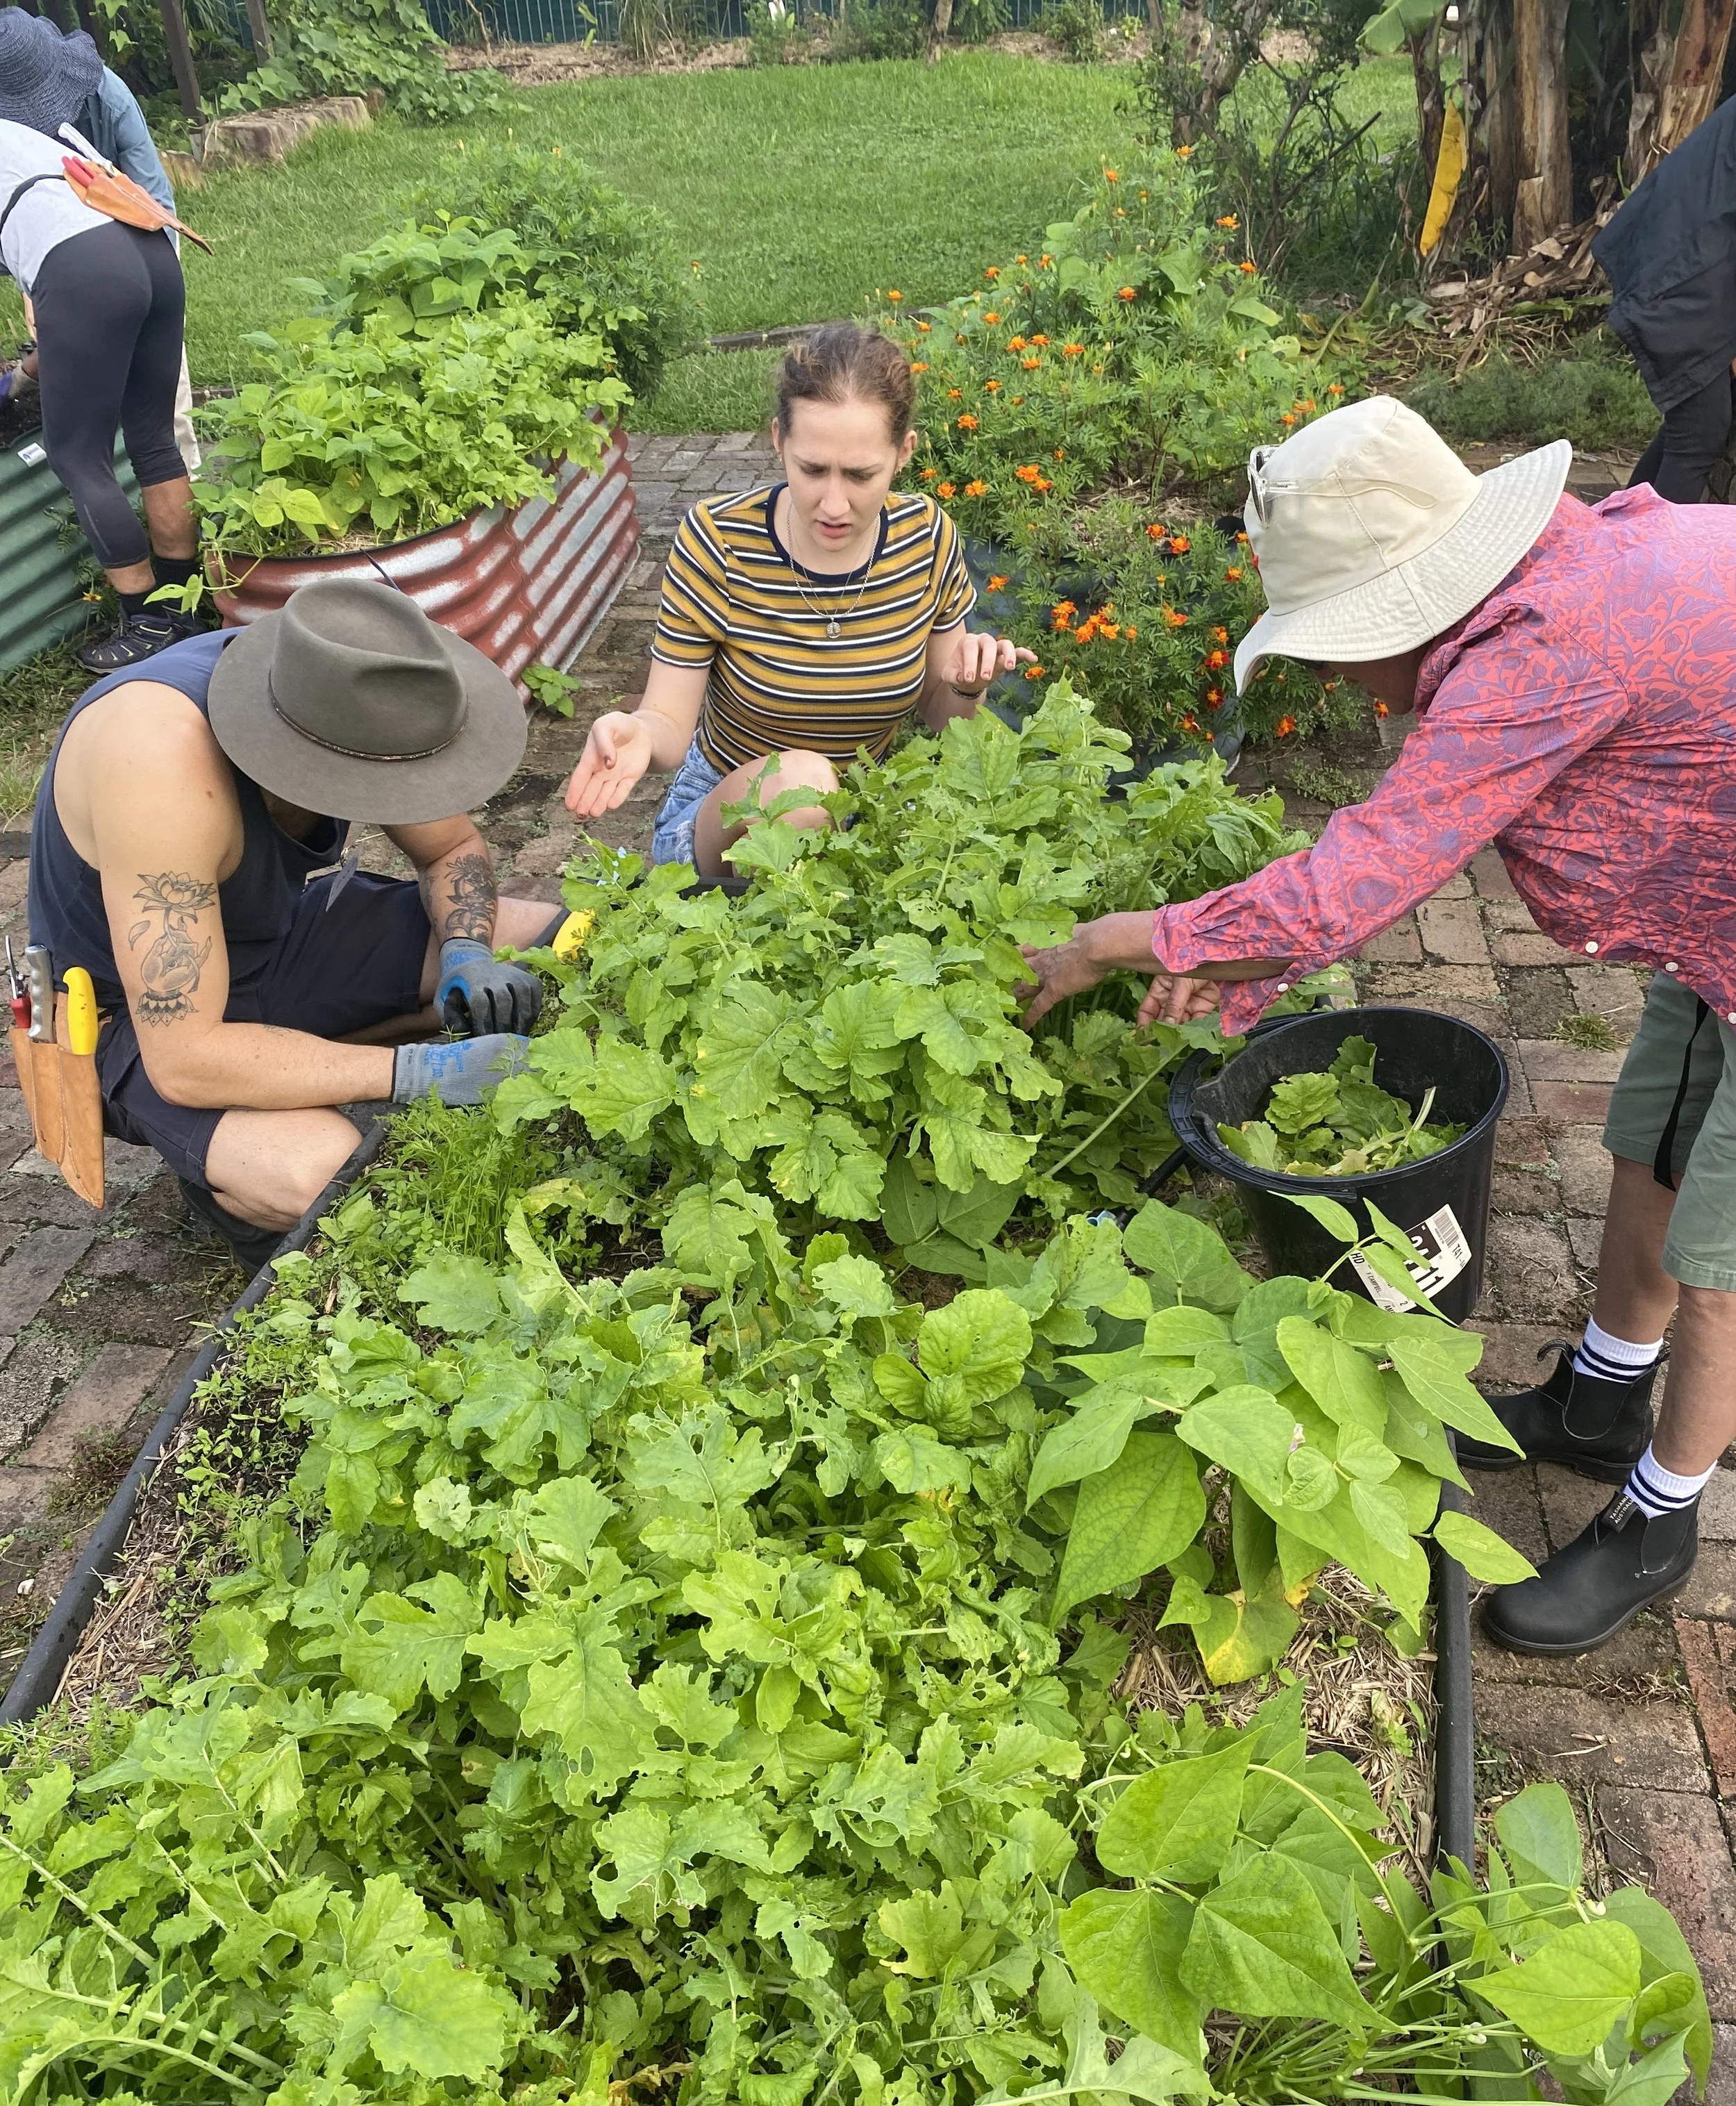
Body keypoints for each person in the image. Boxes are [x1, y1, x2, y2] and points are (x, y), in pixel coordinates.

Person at [1019, 392, 1736, 1657]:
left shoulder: (1548, 647)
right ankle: (1601, 1396)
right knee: (1657, 1137)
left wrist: (1105, 943)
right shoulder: (1546, 574)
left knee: (1727, 1255)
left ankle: (1660, 1520)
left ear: (1404, 603)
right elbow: (1396, 842)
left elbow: (1354, 878)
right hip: (1718, 901)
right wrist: (1235, 969)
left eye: (1334, 642)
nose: (1337, 675)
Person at [30, 574, 561, 1270]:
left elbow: (452, 849)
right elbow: (187, 1062)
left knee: (549, 943)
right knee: (328, 1175)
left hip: (267, 941)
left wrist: (467, 953)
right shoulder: (158, 764)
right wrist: (422, 1073)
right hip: (125, 1019)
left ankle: (297, 1061)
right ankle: (232, 1194)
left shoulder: (353, 698)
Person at [562, 324, 1033, 871]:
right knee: (805, 788)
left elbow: (940, 715)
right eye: (812, 470)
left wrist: (966, 687)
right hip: (726, 814)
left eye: (860, 475)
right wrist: (639, 733)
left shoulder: (925, 537)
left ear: (904, 452)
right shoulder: (718, 541)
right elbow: (669, 718)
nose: (834, 504)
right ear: (778, 441)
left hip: (867, 816)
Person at [0, 114, 199, 670]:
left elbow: (73, 285)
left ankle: (148, 624)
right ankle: (183, 603)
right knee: (153, 435)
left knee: (77, 454)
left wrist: (17, 378)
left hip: (85, 266)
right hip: (148, 241)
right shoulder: (20, 136)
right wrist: (24, 373)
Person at [0, 7, 201, 479]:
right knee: (85, 393)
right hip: (59, 259)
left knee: (164, 404)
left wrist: (151, 309)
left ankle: (190, 482)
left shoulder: (108, 95)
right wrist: (37, 296)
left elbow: (155, 209)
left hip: (138, 237)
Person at [1595, 94, 1736, 504]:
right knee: (1700, 429)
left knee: (1691, 423)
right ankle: (1650, 562)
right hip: (1679, 271)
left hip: (1682, 259)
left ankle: (1614, 542)